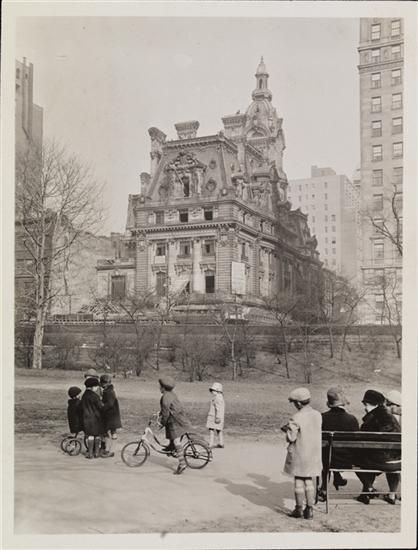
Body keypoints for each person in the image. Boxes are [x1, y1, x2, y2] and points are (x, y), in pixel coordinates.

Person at [354, 389, 401, 505]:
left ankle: (368, 488)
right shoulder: (392, 418)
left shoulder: (370, 419)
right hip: (397, 462)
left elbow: (361, 441)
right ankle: (392, 495)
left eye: (365, 404)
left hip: (378, 461)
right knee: (372, 456)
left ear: (366, 404)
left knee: (357, 460)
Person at [282, 387, 322, 520]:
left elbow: (291, 438)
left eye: (294, 403)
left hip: (300, 452)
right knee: (309, 480)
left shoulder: (297, 417)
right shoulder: (317, 414)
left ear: (298, 403)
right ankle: (309, 509)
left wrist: (287, 429)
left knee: (299, 480)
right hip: (314, 453)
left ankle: (298, 508)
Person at [318, 387, 359, 500]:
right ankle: (337, 477)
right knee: (336, 450)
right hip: (347, 459)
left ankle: (324, 488)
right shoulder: (351, 419)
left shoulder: (322, 418)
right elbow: (356, 441)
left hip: (327, 459)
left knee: (327, 450)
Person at [158, 377, 192, 475]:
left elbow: (166, 413)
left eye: (160, 387)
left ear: (164, 388)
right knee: (172, 436)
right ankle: (171, 447)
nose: (159, 388)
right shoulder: (171, 394)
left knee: (177, 441)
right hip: (179, 418)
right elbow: (168, 409)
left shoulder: (165, 397)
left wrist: (162, 422)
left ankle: (182, 464)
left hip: (176, 421)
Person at [81, 377, 105, 459]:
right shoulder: (95, 396)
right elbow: (101, 407)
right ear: (93, 387)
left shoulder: (84, 396)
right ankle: (97, 453)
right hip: (96, 419)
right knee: (97, 435)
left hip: (87, 419)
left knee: (90, 436)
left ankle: (90, 453)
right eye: (96, 386)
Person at [100, 374, 122, 458]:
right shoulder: (110, 390)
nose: (101, 385)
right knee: (112, 432)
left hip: (110, 416)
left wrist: (102, 407)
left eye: (102, 383)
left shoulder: (108, 392)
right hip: (113, 415)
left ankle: (110, 450)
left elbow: (109, 404)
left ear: (104, 383)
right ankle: (110, 449)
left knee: (108, 432)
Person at [206, 382, 225, 449]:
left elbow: (218, 408)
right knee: (218, 430)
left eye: (213, 390)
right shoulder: (219, 397)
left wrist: (217, 417)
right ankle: (221, 443)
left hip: (214, 417)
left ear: (218, 391)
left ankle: (211, 444)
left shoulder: (217, 398)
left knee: (211, 430)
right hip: (218, 416)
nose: (212, 392)